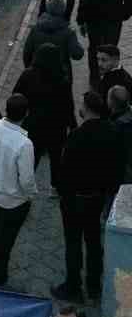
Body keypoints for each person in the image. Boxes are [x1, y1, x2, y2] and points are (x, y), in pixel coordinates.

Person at [54, 91, 123, 304]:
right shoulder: (112, 131)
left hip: (75, 200)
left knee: (73, 243)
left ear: (86, 108)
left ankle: (73, 286)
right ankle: (94, 287)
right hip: (97, 199)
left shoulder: (76, 136)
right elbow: (117, 167)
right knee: (94, 243)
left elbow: (64, 172)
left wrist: (63, 194)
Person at [0, 94, 37, 288]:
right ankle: (0, 277)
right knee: (5, 240)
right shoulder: (24, 144)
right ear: (26, 114)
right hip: (14, 200)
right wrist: (31, 194)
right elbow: (27, 179)